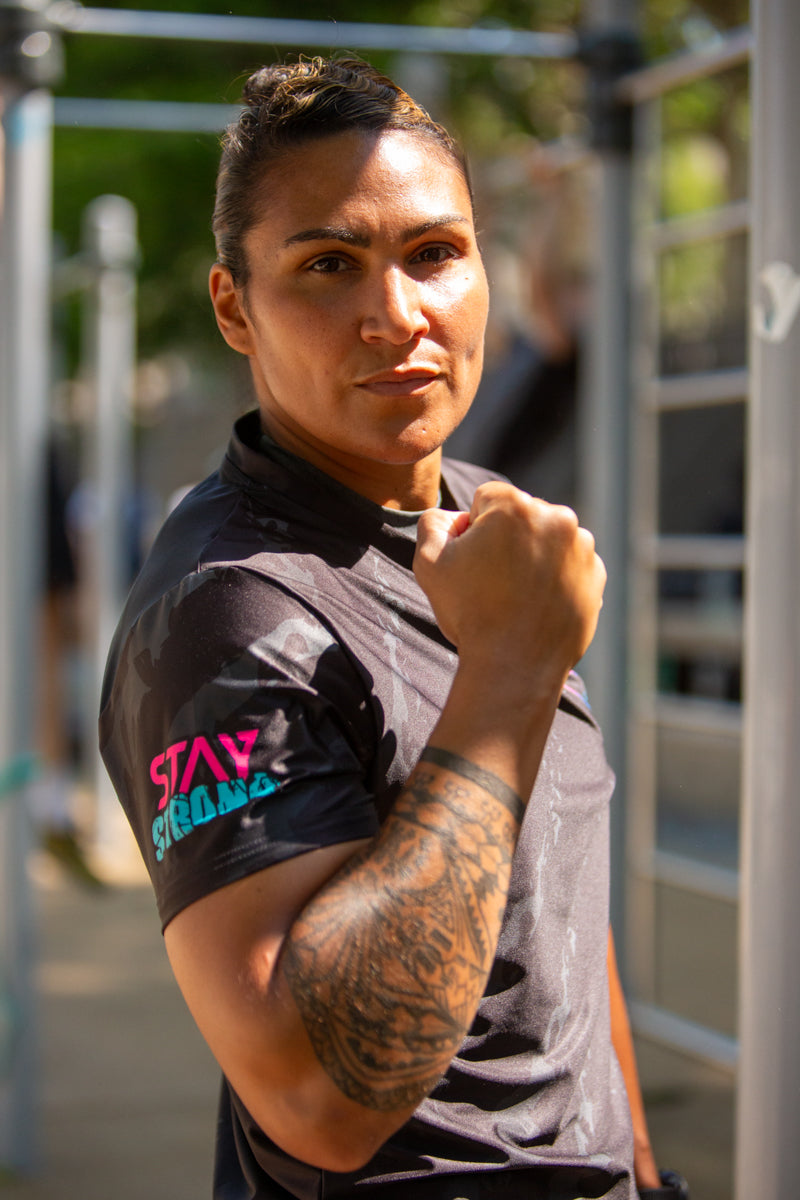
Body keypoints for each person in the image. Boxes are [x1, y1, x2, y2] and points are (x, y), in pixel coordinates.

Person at [100, 57, 684, 1200]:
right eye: (328, 264)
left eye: (433, 253)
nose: (397, 315)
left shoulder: (486, 525)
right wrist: (508, 674)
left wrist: (644, 1173)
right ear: (234, 307)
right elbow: (317, 1098)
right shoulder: (227, 611)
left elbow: (550, 910)